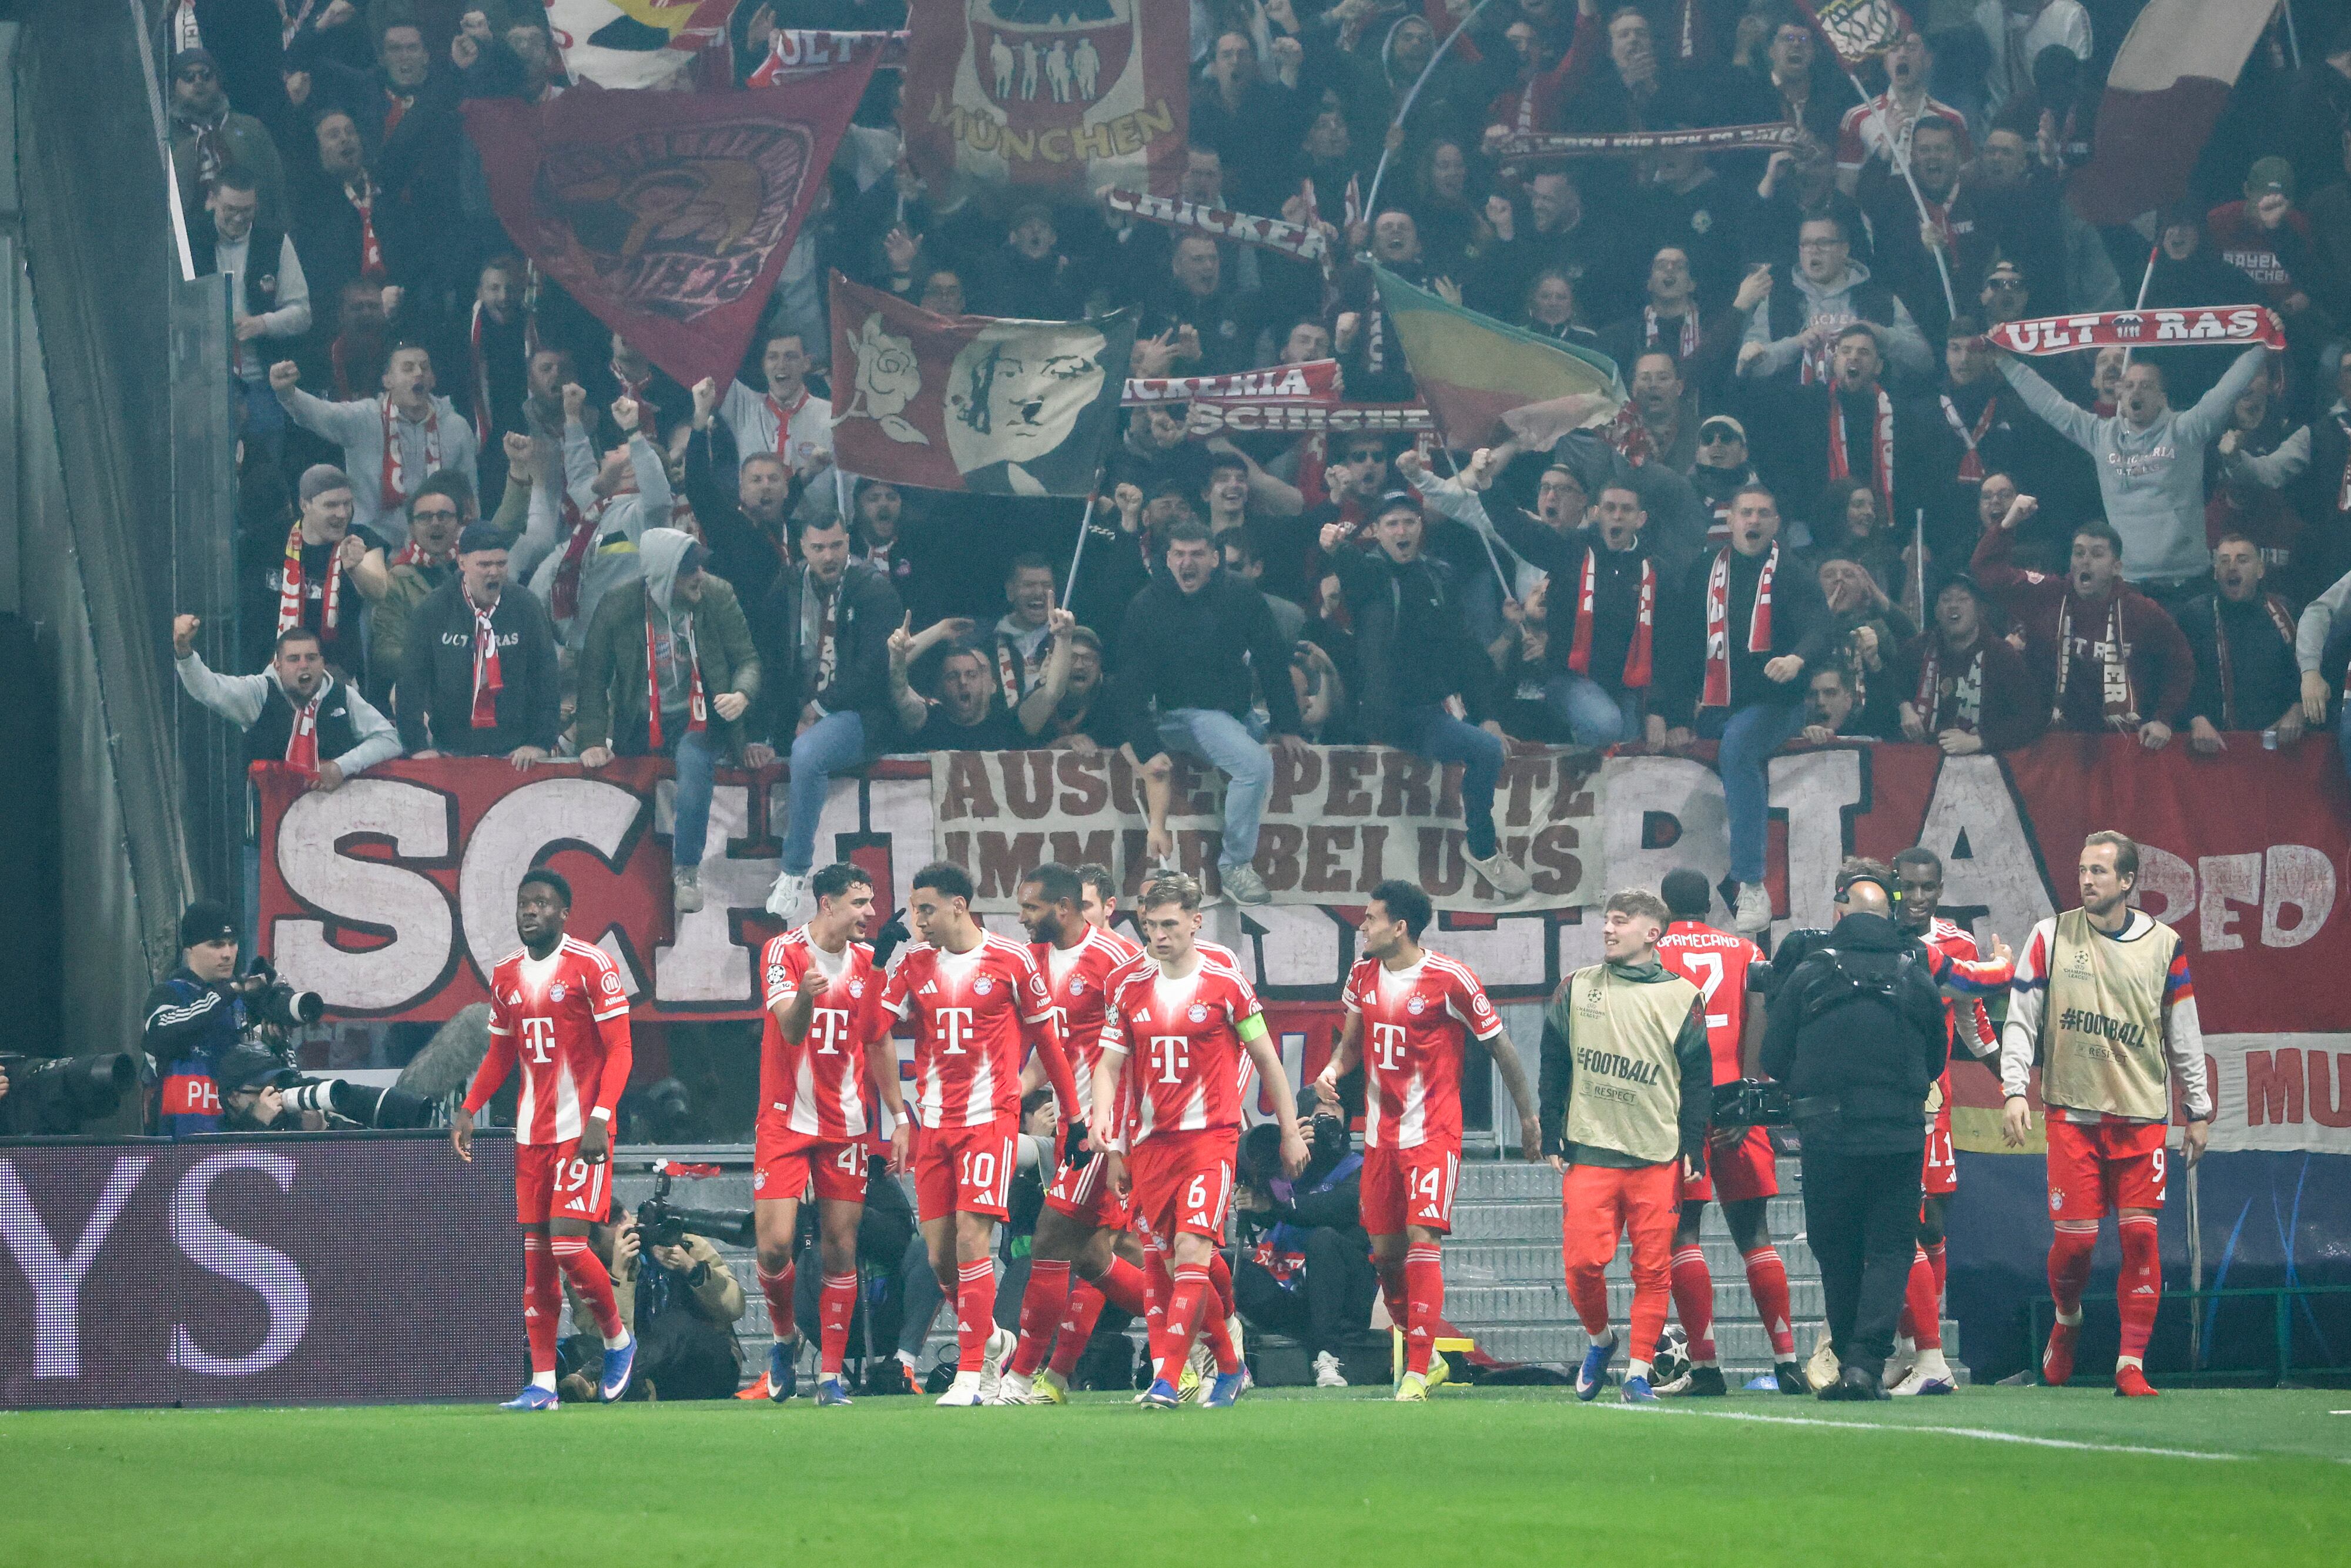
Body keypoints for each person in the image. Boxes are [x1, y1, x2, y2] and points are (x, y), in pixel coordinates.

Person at [1313, 880, 1542, 1402]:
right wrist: (1331, 1069)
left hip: (1432, 1133)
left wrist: (1529, 1118)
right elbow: (1351, 1045)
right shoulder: (1362, 975)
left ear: (1400, 927)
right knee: (1386, 1255)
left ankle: (1417, 1370)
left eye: (1371, 919)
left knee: (1423, 1239)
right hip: (1378, 1136)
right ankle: (1431, 1355)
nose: (1362, 926)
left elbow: (1502, 1049)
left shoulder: (1450, 979)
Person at [2001, 832, 2211, 1398]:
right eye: (2082, 869)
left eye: (2099, 871)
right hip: (2072, 1112)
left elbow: (2183, 1033)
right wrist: (2015, 1089)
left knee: (2141, 1240)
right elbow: (2021, 1017)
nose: (2086, 879)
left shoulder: (2165, 945)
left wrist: (2199, 1108)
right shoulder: (2050, 935)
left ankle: (2129, 1363)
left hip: (2141, 1113)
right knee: (2077, 1245)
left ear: (2127, 881)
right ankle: (2067, 1321)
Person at [1096, 870, 1310, 1409]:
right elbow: (1110, 1067)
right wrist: (1110, 1133)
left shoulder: (1226, 985)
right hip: (1151, 1148)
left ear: (1195, 923)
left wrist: (1288, 1131)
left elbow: (1267, 1062)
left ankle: (1167, 1378)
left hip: (1210, 1142)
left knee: (1191, 1251)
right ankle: (1232, 1368)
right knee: (1176, 1265)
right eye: (1151, 925)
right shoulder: (1127, 988)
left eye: (1170, 924)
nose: (1159, 935)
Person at [879, 863, 1085, 1406]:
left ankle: (974, 1372)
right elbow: (868, 1031)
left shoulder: (1012, 960)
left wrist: (1076, 1114)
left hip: (990, 1120)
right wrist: (879, 962)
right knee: (939, 1257)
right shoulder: (913, 965)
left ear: (958, 906)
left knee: (974, 1239)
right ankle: (994, 1339)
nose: (918, 919)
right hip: (935, 1125)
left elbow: (1048, 1041)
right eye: (915, 908)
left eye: (926, 908)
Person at [1760, 860, 1951, 1401]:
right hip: (1898, 1135)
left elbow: (1773, 1057)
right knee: (1890, 1249)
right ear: (1889, 915)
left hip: (1827, 1136)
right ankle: (1867, 1364)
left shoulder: (1808, 973)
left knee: (1835, 1246)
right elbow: (1937, 1058)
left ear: (1841, 913)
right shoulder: (1916, 977)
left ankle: (1848, 1356)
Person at [453, 869, 638, 1411]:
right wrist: (468, 1109)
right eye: (523, 902)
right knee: (535, 1260)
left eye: (542, 903)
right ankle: (542, 1385)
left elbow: (622, 1049)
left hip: (582, 1132)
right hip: (531, 1134)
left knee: (566, 1244)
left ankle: (618, 1341)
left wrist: (602, 1118)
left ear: (564, 913)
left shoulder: (593, 964)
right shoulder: (507, 974)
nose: (530, 911)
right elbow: (501, 1053)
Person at [1539, 887, 1710, 1405]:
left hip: (1656, 1155)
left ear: (1652, 933)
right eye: (1607, 921)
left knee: (1653, 1270)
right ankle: (1601, 1341)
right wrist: (1551, 1129)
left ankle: (1638, 1374)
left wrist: (1694, 1145)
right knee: (1582, 1264)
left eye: (1621, 921)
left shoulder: (1683, 995)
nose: (1609, 929)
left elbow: (1700, 1078)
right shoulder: (1576, 988)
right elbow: (1553, 1060)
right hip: (1590, 1149)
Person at [1319, 495, 1532, 899]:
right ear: (1377, 532)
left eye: (1409, 523)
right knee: (1483, 749)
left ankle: (1483, 849)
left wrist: (1486, 713)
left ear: (1421, 527)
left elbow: (1465, 648)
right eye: (1392, 524)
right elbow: (1358, 579)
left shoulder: (1438, 576)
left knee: (1487, 748)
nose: (1402, 532)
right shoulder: (1368, 573)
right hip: (1382, 714)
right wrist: (1335, 548)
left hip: (1426, 713)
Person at [752, 862, 907, 1407]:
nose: (870, 913)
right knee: (773, 1248)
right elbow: (790, 1029)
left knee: (843, 1248)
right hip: (784, 1120)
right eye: (860, 902)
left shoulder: (869, 961)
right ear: (827, 904)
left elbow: (877, 1039)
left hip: (845, 1123)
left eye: (871, 902)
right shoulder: (784, 952)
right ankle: (782, 1338)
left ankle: (831, 1377)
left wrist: (899, 1116)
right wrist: (806, 994)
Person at [997, 864, 1153, 1406]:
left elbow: (1149, 1037)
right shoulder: (1030, 962)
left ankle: (1020, 1378)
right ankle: (1206, 1332)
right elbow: (1053, 1049)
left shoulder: (1117, 960)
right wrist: (1014, 1091)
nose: (1023, 919)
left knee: (1050, 1240)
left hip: (1110, 1128)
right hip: (1072, 1127)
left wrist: (1132, 1131)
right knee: (1093, 1256)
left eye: (1031, 908)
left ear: (1063, 909)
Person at [1651, 868, 1806, 1398]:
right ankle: (1787, 1361)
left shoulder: (1654, 952)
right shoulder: (1742, 950)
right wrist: (1749, 1088)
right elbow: (1764, 1008)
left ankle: (1708, 1367)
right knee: (1755, 1233)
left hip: (1679, 1105)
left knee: (1683, 1232)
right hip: (1737, 1096)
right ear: (1709, 907)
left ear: (1664, 904)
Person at [1652, 484, 1831, 934]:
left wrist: (1797, 660)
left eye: (1763, 514)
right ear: (1730, 521)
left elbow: (1820, 626)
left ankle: (1752, 883)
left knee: (1737, 748)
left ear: (1776, 524)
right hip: (1718, 702)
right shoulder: (1705, 571)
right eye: (1746, 513)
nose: (1753, 521)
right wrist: (1673, 716)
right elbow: (1679, 648)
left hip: (1776, 704)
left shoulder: (1792, 570)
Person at [1114, 521, 1310, 906]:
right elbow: (1130, 684)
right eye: (1180, 555)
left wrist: (1287, 725)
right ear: (1167, 560)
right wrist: (1145, 745)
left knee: (1284, 753)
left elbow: (1272, 659)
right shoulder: (1147, 605)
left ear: (1215, 559)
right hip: (1182, 713)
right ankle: (1236, 864)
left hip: (1235, 708)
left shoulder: (1241, 594)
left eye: (1197, 554)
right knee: (1254, 766)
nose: (1188, 562)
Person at [575, 530, 760, 913]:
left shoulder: (717, 595)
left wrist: (741, 693)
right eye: (689, 570)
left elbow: (748, 660)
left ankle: (687, 871)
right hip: (639, 724)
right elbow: (593, 674)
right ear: (662, 574)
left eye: (701, 568)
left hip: (701, 717)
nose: (700, 577)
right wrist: (592, 739)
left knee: (694, 762)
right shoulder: (618, 604)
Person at [1990, 343, 2268, 597]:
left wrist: (2263, 347)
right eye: (2130, 385)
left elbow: (2226, 392)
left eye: (2146, 386)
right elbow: (2049, 405)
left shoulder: (2186, 429)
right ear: (2120, 395)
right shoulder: (2100, 435)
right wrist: (2004, 361)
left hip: (2189, 586)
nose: (2136, 391)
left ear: (2162, 397)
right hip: (2128, 587)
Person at [1888, 846, 2010, 1398]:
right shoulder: (1870, 933)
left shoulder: (1954, 943)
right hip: (1879, 1099)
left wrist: (2012, 1084)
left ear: (1939, 888)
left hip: (1932, 1101)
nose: (1917, 898)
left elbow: (1973, 1019)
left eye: (1927, 888)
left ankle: (1920, 1349)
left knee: (1931, 1221)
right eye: (1908, 887)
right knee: (1895, 1222)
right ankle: (1906, 1347)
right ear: (1892, 886)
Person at [753, 512, 905, 922]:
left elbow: (875, 668)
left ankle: (794, 872)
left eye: (837, 545)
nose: (829, 556)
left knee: (808, 755)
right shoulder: (785, 587)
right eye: (819, 548)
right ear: (801, 549)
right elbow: (769, 660)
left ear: (848, 544)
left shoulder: (873, 589)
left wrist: (819, 709)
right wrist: (763, 729)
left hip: (861, 713)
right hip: (797, 710)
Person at [1972, 505, 2193, 745]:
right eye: (2079, 553)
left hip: (2122, 746)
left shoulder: (2141, 611)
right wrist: (2008, 523)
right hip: (2053, 746)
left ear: (2116, 567)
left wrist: (2163, 718)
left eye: (2097, 554)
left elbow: (2182, 664)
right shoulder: (2048, 594)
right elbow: (1986, 572)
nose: (2085, 562)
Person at [270, 345, 478, 546]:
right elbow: (321, 414)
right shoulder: (364, 418)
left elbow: (470, 497)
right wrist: (288, 393)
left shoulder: (456, 428)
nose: (418, 373)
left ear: (433, 380)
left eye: (425, 367)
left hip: (438, 543)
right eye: (408, 368)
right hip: (371, 543)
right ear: (387, 381)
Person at [1231, 1108, 1377, 1390]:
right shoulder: (1290, 1172)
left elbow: (1330, 1209)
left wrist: (1276, 1206)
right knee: (1221, 1265)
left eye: (1331, 1116)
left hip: (1344, 1305)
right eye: (1315, 1119)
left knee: (1324, 1239)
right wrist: (1281, 1151)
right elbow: (1257, 1185)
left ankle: (1327, 1355)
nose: (1323, 1126)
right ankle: (1222, 1359)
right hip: (1293, 1301)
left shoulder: (1361, 1169)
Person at [396, 524, 562, 763]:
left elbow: (546, 679)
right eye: (484, 565)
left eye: (501, 563)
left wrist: (539, 743)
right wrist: (417, 747)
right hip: (450, 751)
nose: (494, 572)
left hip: (517, 753)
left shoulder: (526, 606)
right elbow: (410, 682)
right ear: (462, 563)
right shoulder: (434, 609)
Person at [172, 618, 399, 792]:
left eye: (311, 658)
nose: (304, 665)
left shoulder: (343, 696)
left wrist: (342, 767)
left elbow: (391, 740)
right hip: (271, 827)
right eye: (294, 659)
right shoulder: (259, 691)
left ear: (322, 663)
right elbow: (209, 689)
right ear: (278, 666)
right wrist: (184, 651)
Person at [571, 1207, 745, 1403]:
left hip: (707, 1366)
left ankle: (604, 1373)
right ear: (593, 1246)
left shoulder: (681, 1241)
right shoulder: (582, 1273)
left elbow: (735, 1306)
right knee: (575, 1347)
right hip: (653, 1374)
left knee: (675, 1325)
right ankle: (626, 1383)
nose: (630, 1243)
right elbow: (603, 1338)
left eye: (631, 1234)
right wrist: (620, 1276)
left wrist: (691, 1267)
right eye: (617, 1243)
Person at [2178, 534, 2305, 752]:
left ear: (2260, 570)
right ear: (2216, 572)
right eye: (2224, 560)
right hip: (2213, 747)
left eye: (2242, 559)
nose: (2232, 567)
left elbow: (2308, 671)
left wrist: (2299, 708)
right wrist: (2194, 718)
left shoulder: (2285, 613)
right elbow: (2176, 676)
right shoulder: (2194, 615)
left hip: (2277, 747)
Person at [1897, 573, 2045, 754]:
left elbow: (2031, 718)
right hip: (1924, 763)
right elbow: (1893, 685)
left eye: (1963, 599)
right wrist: (1904, 707)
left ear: (1980, 610)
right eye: (1945, 599)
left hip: (1986, 770)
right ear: (1935, 611)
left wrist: (1980, 741)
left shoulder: (2001, 656)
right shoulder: (1918, 649)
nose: (1953, 605)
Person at [143, 900, 249, 1137]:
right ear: (189, 949)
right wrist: (224, 994)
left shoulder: (242, 1002)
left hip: (233, 1137)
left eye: (233, 944)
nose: (227, 954)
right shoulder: (168, 994)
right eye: (216, 945)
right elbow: (162, 1033)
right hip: (176, 1144)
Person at [719, 331, 830, 479]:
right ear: (763, 364)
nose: (782, 365)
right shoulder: (744, 406)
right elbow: (708, 361)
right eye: (773, 357)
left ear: (806, 364)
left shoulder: (831, 416)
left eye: (790, 357)